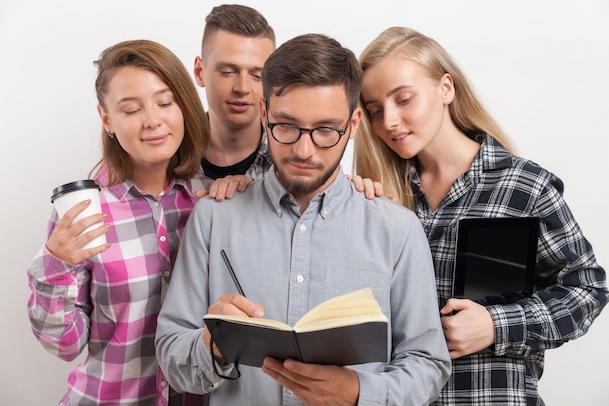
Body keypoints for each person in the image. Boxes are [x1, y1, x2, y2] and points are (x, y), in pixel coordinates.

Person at [155, 33, 451, 406]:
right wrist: (211, 345)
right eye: (286, 126)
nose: (304, 150)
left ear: (354, 123)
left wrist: (358, 393)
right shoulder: (214, 218)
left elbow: (428, 364)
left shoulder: (397, 229)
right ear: (264, 114)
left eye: (326, 130)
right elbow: (170, 355)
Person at [354, 26, 609, 405]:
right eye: (375, 110)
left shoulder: (524, 186)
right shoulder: (378, 198)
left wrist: (495, 325)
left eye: (403, 99)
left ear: (446, 88)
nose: (389, 121)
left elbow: (587, 290)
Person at [27, 39, 212, 406]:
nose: (153, 120)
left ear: (185, 107)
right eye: (131, 110)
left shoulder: (211, 201)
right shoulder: (83, 212)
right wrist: (54, 265)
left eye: (165, 102)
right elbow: (65, 346)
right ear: (107, 119)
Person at [194, 4, 275, 190]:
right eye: (228, 72)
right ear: (200, 72)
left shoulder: (294, 159)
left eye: (257, 75)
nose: (242, 88)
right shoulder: (167, 154)